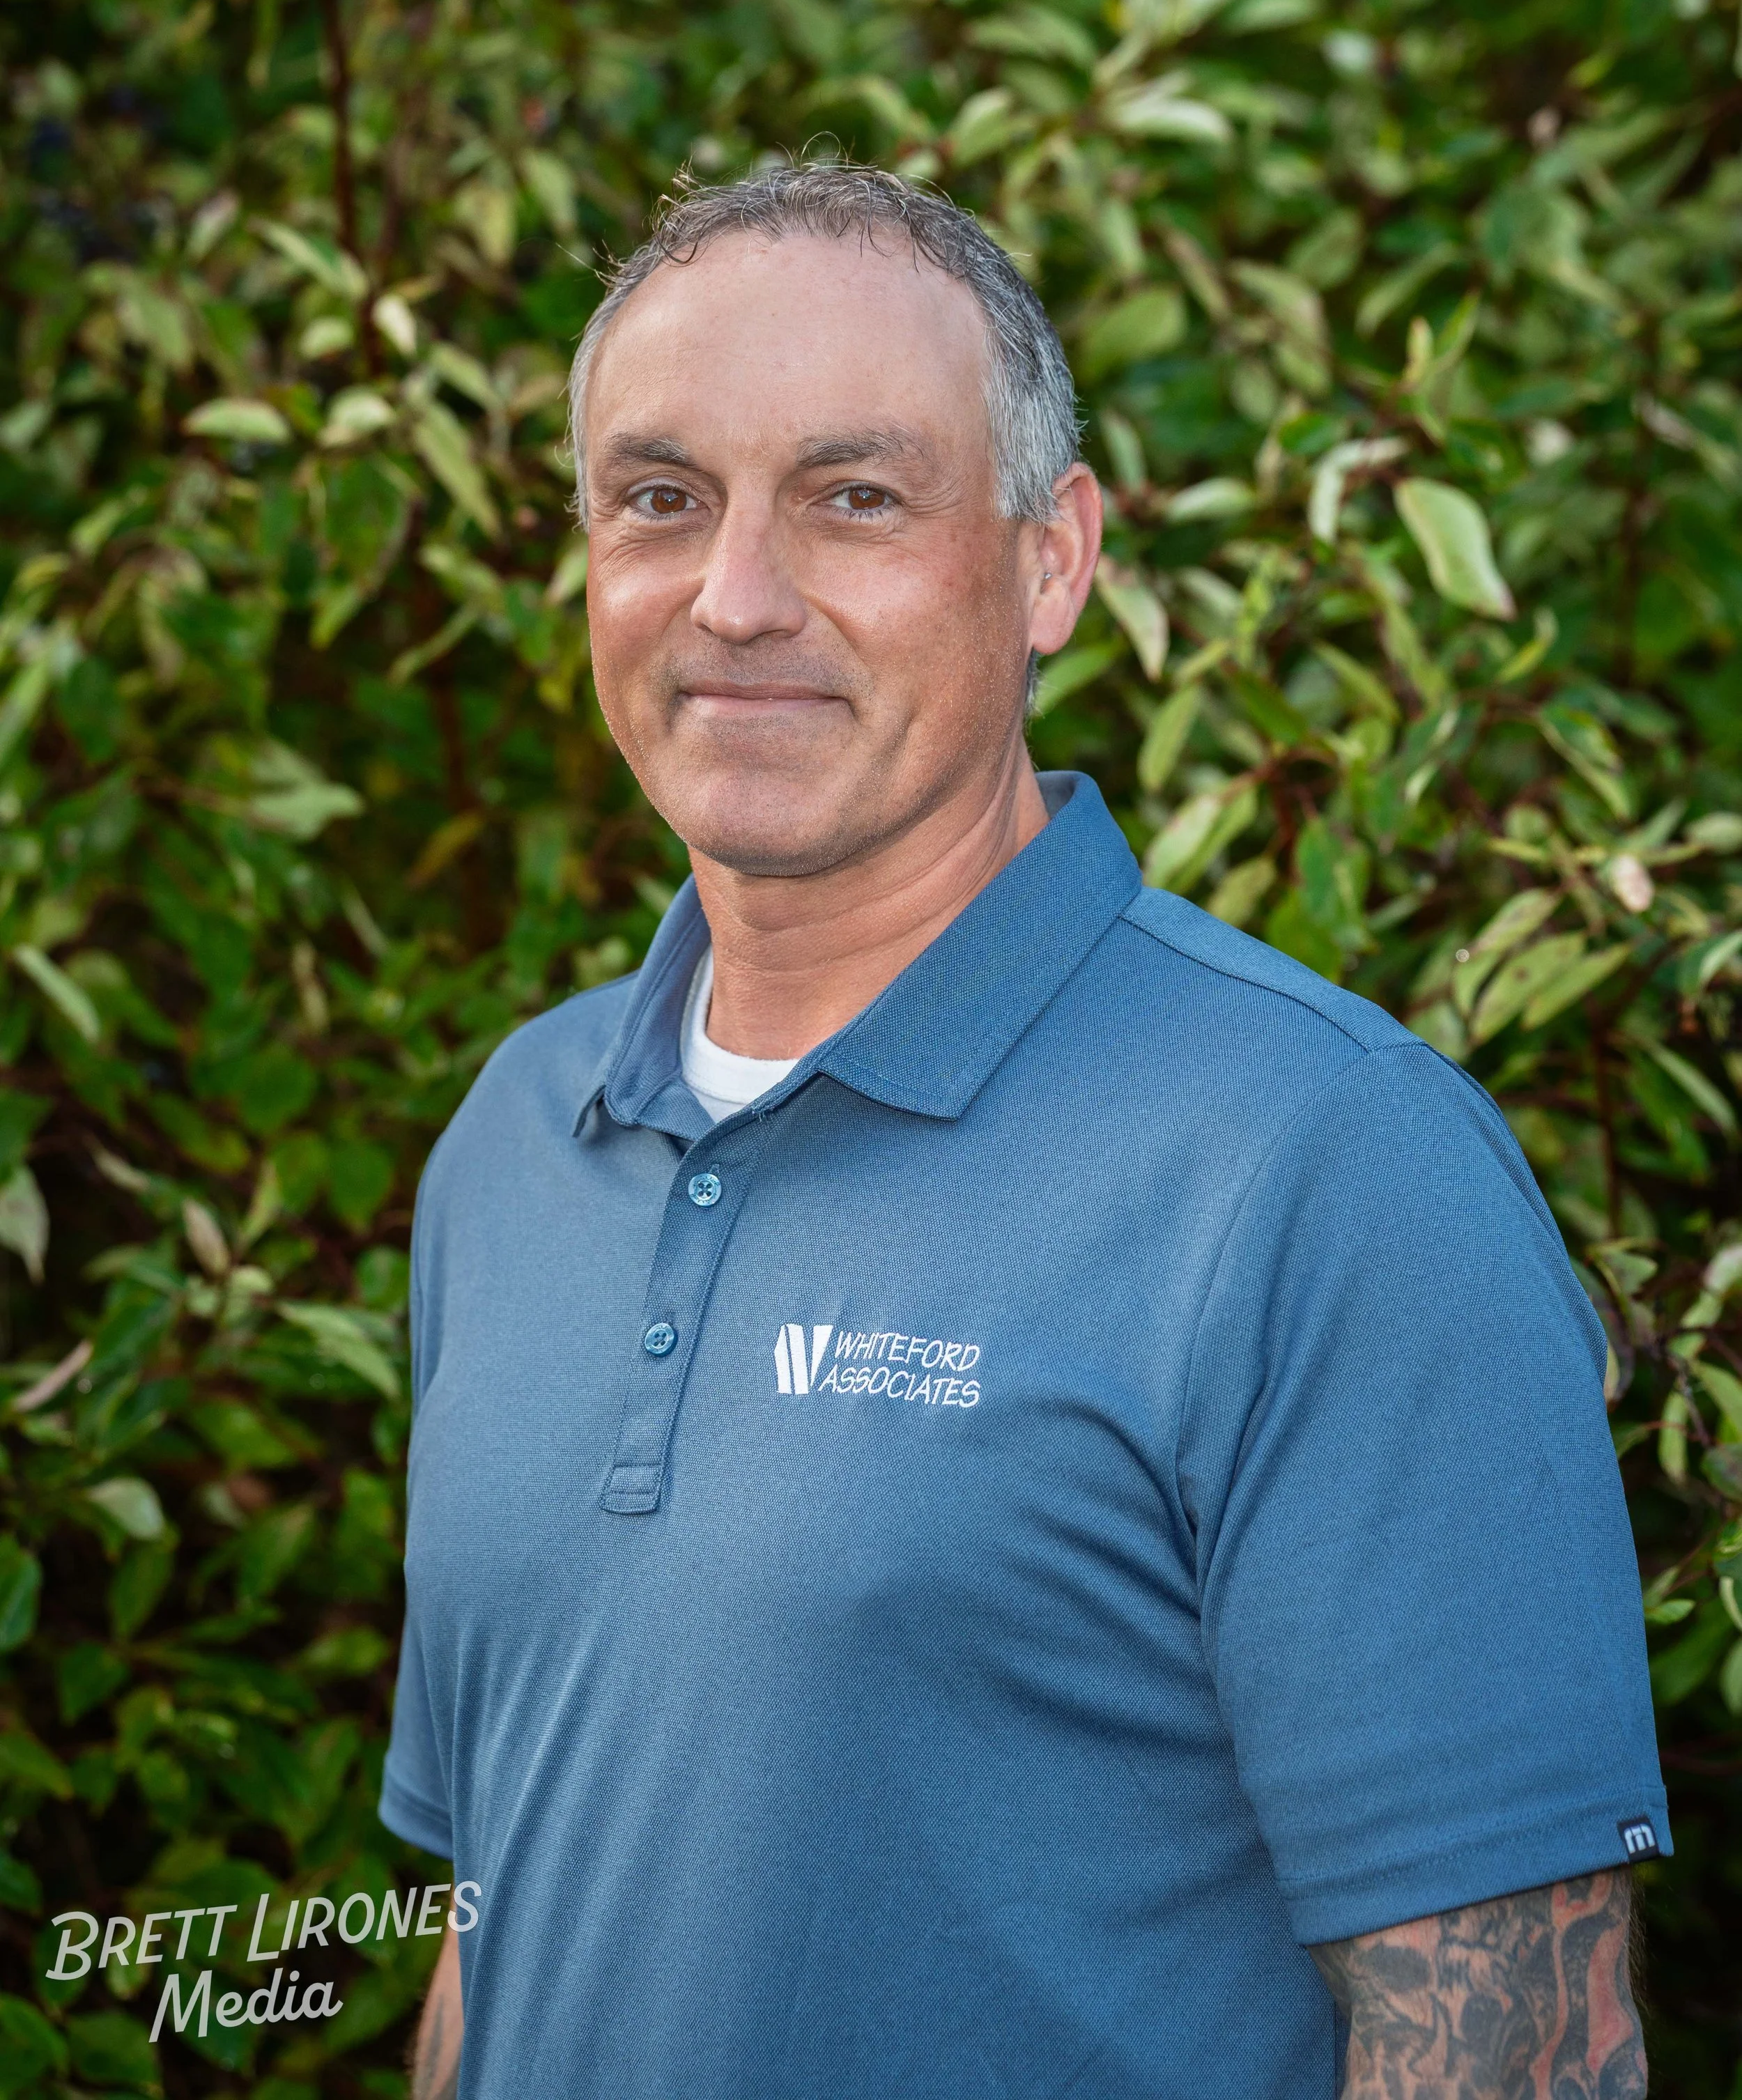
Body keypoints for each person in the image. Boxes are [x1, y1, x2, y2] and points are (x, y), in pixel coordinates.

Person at [382, 163, 1666, 2100]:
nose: (735, 596)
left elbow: (1512, 2050)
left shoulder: (1332, 1164)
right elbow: (514, 1910)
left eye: (853, 497)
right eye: (659, 497)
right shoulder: (512, 1145)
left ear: (1051, 560)